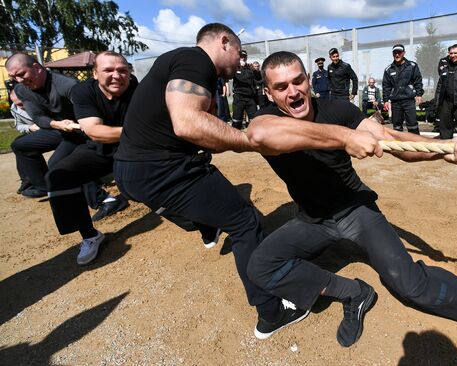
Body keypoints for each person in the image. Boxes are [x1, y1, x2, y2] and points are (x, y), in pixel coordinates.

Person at [245, 51, 457, 362]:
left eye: (298, 81)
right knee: (260, 265)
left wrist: (444, 150)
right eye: (281, 87)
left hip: (356, 211)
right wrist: (345, 137)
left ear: (308, 80)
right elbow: (261, 134)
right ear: (268, 93)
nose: (293, 92)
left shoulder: (337, 108)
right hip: (313, 220)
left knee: (410, 287)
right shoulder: (265, 120)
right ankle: (354, 293)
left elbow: (394, 140)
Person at [114, 23, 298, 338]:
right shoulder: (196, 60)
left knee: (210, 191)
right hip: (162, 170)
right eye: (240, 54)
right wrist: (249, 141)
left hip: (131, 171)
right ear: (224, 42)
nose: (241, 63)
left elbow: (202, 136)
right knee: (245, 222)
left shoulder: (179, 62)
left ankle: (207, 227)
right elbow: (187, 124)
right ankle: (271, 313)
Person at [44, 51, 134, 265]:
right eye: (108, 70)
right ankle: (89, 235)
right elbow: (95, 131)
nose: (117, 75)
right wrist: (137, 130)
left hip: (135, 147)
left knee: (138, 184)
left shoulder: (137, 89)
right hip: (100, 147)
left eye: (122, 70)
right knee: (58, 175)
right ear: (94, 74)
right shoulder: (83, 92)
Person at [6, 53, 123, 217]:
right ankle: (46, 187)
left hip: (83, 130)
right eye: (13, 77)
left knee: (60, 162)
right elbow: (38, 117)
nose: (18, 80)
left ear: (37, 68)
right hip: (59, 128)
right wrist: (57, 124)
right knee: (21, 144)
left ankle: (104, 200)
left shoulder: (68, 85)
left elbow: (92, 114)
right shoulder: (21, 90)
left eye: (21, 74)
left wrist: (83, 126)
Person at [382, 44, 423, 134]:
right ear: (393, 54)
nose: (397, 55)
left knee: (412, 124)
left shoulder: (412, 66)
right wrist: (385, 100)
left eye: (399, 52)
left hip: (409, 100)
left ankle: (416, 144)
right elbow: (386, 86)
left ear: (404, 53)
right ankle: (399, 146)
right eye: (395, 53)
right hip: (396, 101)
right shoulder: (388, 69)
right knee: (396, 126)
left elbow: (418, 81)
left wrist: (419, 94)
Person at [231, 50, 257, 130]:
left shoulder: (250, 68)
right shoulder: (234, 68)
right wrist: (238, 67)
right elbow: (241, 79)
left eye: (244, 56)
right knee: (237, 120)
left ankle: (255, 139)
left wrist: (254, 71)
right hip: (239, 98)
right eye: (241, 56)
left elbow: (257, 80)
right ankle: (234, 140)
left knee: (255, 120)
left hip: (250, 98)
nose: (242, 58)